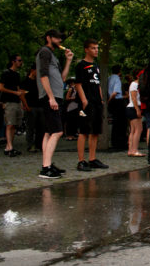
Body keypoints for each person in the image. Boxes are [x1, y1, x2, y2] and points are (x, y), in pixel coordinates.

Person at [36, 29, 73, 178]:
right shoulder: (44, 52)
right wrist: (51, 97)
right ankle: (46, 168)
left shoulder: (53, 55)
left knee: (49, 132)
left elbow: (62, 78)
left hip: (55, 95)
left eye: (61, 39)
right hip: (50, 97)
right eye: (57, 38)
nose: (60, 41)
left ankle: (47, 164)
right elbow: (43, 75)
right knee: (58, 131)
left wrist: (68, 60)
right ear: (48, 38)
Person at [74, 38, 109, 171]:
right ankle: (81, 160)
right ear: (86, 49)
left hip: (96, 102)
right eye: (93, 48)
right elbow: (78, 84)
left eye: (97, 48)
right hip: (86, 102)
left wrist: (101, 99)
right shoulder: (81, 65)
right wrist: (84, 100)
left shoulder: (96, 66)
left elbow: (98, 84)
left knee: (95, 131)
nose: (96, 51)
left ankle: (92, 158)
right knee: (84, 131)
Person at [0, 54, 28, 156]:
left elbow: (19, 89)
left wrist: (23, 102)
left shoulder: (17, 74)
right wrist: (15, 93)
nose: (21, 62)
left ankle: (9, 147)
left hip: (16, 102)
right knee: (9, 124)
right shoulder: (6, 73)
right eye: (19, 60)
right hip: (9, 102)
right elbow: (0, 87)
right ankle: (9, 146)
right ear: (13, 61)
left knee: (14, 125)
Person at [20, 64, 44, 153]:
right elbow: (22, 95)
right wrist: (26, 106)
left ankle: (39, 144)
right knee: (30, 127)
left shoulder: (39, 81)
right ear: (32, 70)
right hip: (31, 106)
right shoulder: (26, 81)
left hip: (40, 106)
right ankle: (30, 145)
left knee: (41, 127)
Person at [108, 65, 127, 150]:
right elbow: (115, 92)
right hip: (117, 102)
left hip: (112, 102)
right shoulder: (117, 79)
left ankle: (114, 141)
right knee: (121, 123)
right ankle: (120, 142)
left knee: (115, 123)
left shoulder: (109, 78)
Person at [126, 69, 145, 157]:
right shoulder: (134, 84)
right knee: (138, 129)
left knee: (133, 130)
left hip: (133, 107)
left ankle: (131, 150)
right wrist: (138, 109)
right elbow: (133, 98)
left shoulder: (137, 84)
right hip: (134, 107)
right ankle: (134, 150)